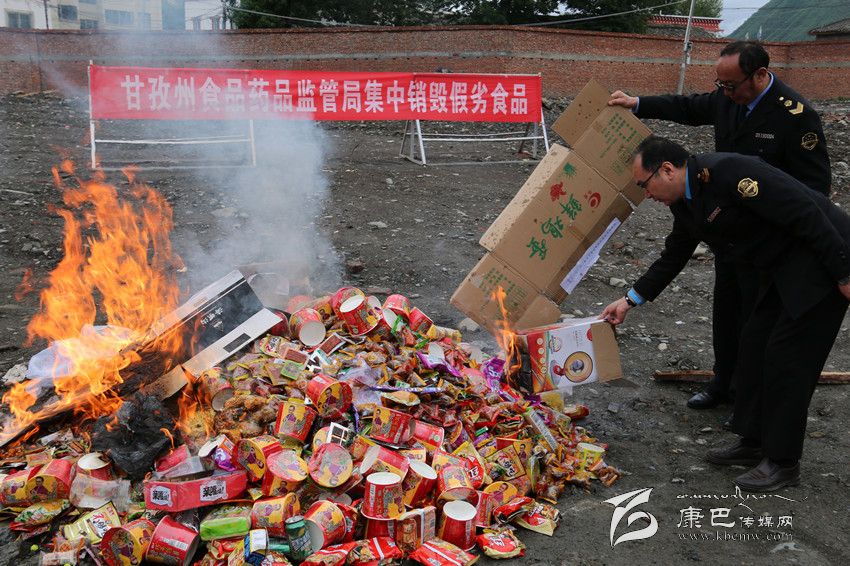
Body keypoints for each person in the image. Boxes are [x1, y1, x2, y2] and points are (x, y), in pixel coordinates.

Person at [601, 136, 850, 491]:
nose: (646, 194)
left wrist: (844, 273)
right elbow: (675, 254)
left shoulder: (730, 172)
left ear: (667, 170)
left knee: (788, 359)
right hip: (782, 268)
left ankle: (782, 462)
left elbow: (807, 213)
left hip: (822, 260)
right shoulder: (685, 203)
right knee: (753, 345)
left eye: (644, 184)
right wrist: (629, 300)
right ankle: (754, 441)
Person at [608, 41, 831, 412]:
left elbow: (815, 188)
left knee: (757, 322)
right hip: (726, 231)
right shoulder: (727, 100)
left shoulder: (795, 115)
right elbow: (688, 106)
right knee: (726, 314)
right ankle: (723, 383)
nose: (725, 92)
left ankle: (750, 401)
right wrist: (638, 103)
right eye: (720, 85)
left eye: (730, 85)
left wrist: (795, 239)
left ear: (759, 75)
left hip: (769, 239)